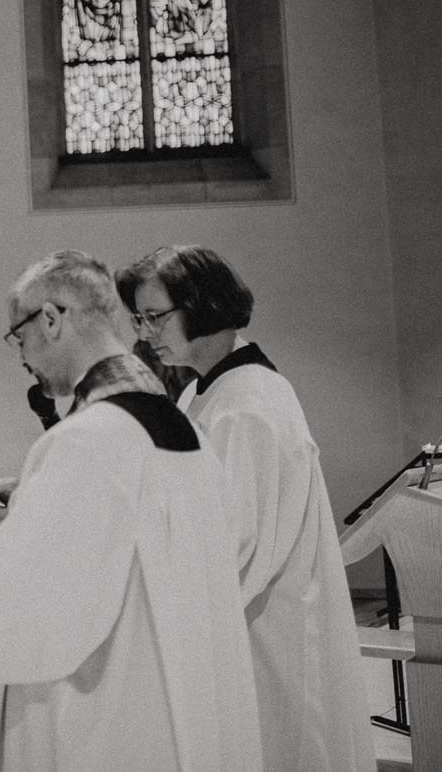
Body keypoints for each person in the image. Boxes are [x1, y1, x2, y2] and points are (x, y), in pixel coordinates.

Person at [0, 251, 262, 772]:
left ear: (50, 318)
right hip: (180, 711)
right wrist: (29, 499)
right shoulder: (184, 432)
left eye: (19, 338)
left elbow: (27, 621)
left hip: (108, 720)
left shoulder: (84, 441)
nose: (23, 358)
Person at [123, 245, 372, 772]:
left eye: (155, 317)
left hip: (266, 634)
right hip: (235, 626)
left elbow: (231, 547)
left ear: (204, 306)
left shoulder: (248, 406)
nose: (145, 333)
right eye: (140, 318)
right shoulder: (203, 394)